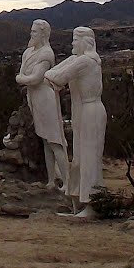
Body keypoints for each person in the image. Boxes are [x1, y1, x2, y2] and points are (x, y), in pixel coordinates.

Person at [45, 26, 105, 218]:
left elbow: (56, 76)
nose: (72, 43)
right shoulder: (82, 60)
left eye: (75, 40)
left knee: (89, 158)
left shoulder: (86, 62)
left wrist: (52, 72)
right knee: (80, 156)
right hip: (82, 111)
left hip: (90, 111)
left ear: (85, 42)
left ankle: (93, 203)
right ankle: (81, 200)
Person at [15, 19, 69, 190]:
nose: (31, 34)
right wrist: (23, 78)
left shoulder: (46, 54)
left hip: (46, 98)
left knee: (55, 141)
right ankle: (52, 181)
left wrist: (21, 78)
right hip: (35, 98)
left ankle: (68, 184)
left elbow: (34, 78)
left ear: (43, 34)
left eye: (35, 32)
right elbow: (24, 75)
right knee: (46, 141)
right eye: (31, 31)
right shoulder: (28, 52)